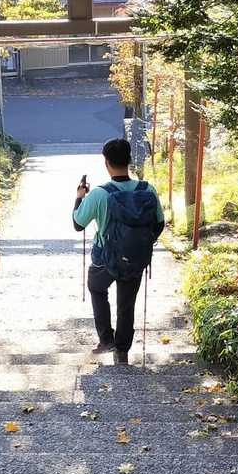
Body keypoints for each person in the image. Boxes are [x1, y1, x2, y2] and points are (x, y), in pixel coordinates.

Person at [73, 137, 165, 364]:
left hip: (105, 258)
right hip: (135, 257)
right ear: (129, 160)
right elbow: (159, 223)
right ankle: (122, 350)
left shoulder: (99, 194)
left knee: (97, 288)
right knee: (126, 304)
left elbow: (78, 224)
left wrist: (79, 198)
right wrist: (141, 242)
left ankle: (106, 339)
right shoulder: (147, 189)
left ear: (106, 163)